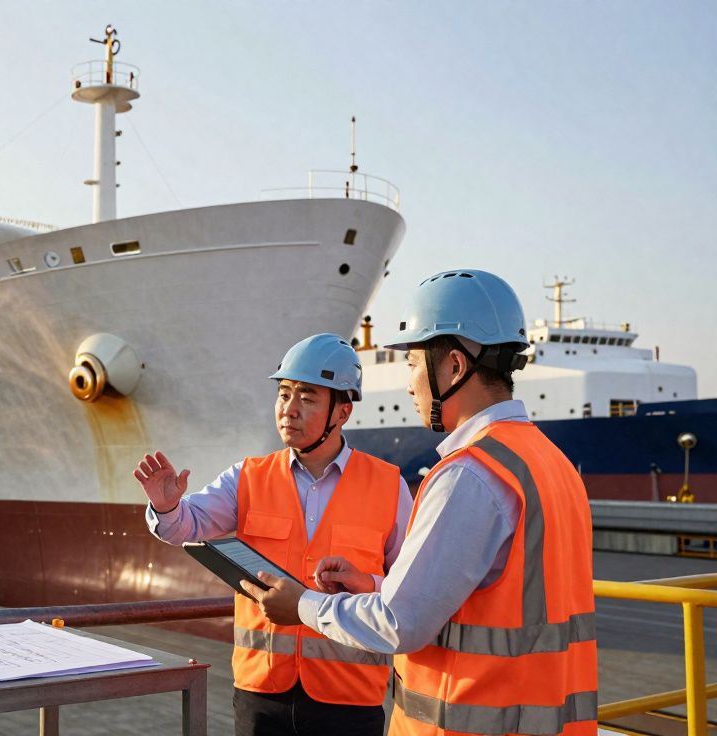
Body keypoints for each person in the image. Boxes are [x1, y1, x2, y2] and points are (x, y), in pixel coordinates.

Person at [240, 270, 598, 735]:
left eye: (411, 364)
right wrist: (371, 585)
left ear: (453, 365)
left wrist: (303, 605)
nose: (410, 383)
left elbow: (398, 624)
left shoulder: (470, 475)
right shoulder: (552, 464)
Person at [135, 333, 412, 736]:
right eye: (284, 394)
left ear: (343, 411)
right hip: (260, 696)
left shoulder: (388, 487)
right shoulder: (247, 477)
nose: (289, 410)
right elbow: (184, 527)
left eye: (308, 397)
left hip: (349, 701)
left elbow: (408, 591)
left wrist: (365, 583)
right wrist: (166, 506)